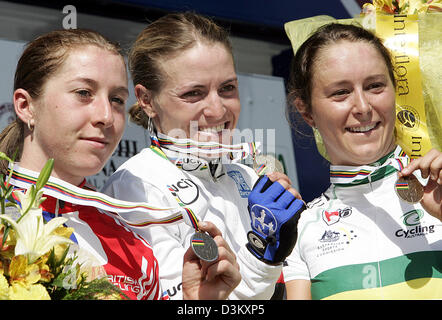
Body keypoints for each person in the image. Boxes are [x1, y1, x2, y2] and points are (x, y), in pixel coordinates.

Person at [0, 28, 241, 300]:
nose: (106, 116)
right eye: (83, 93)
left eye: (116, 99)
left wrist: (196, 302)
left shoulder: (129, 240)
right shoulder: (4, 215)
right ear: (25, 106)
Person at [102, 12, 302, 300]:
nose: (218, 110)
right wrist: (261, 256)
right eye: (194, 93)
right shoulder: (135, 187)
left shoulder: (246, 175)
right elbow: (192, 301)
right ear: (147, 101)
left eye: (227, 88)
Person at [283, 23, 442, 299]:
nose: (364, 107)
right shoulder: (303, 227)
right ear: (307, 111)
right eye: (341, 92)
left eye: (375, 86)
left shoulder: (437, 192)